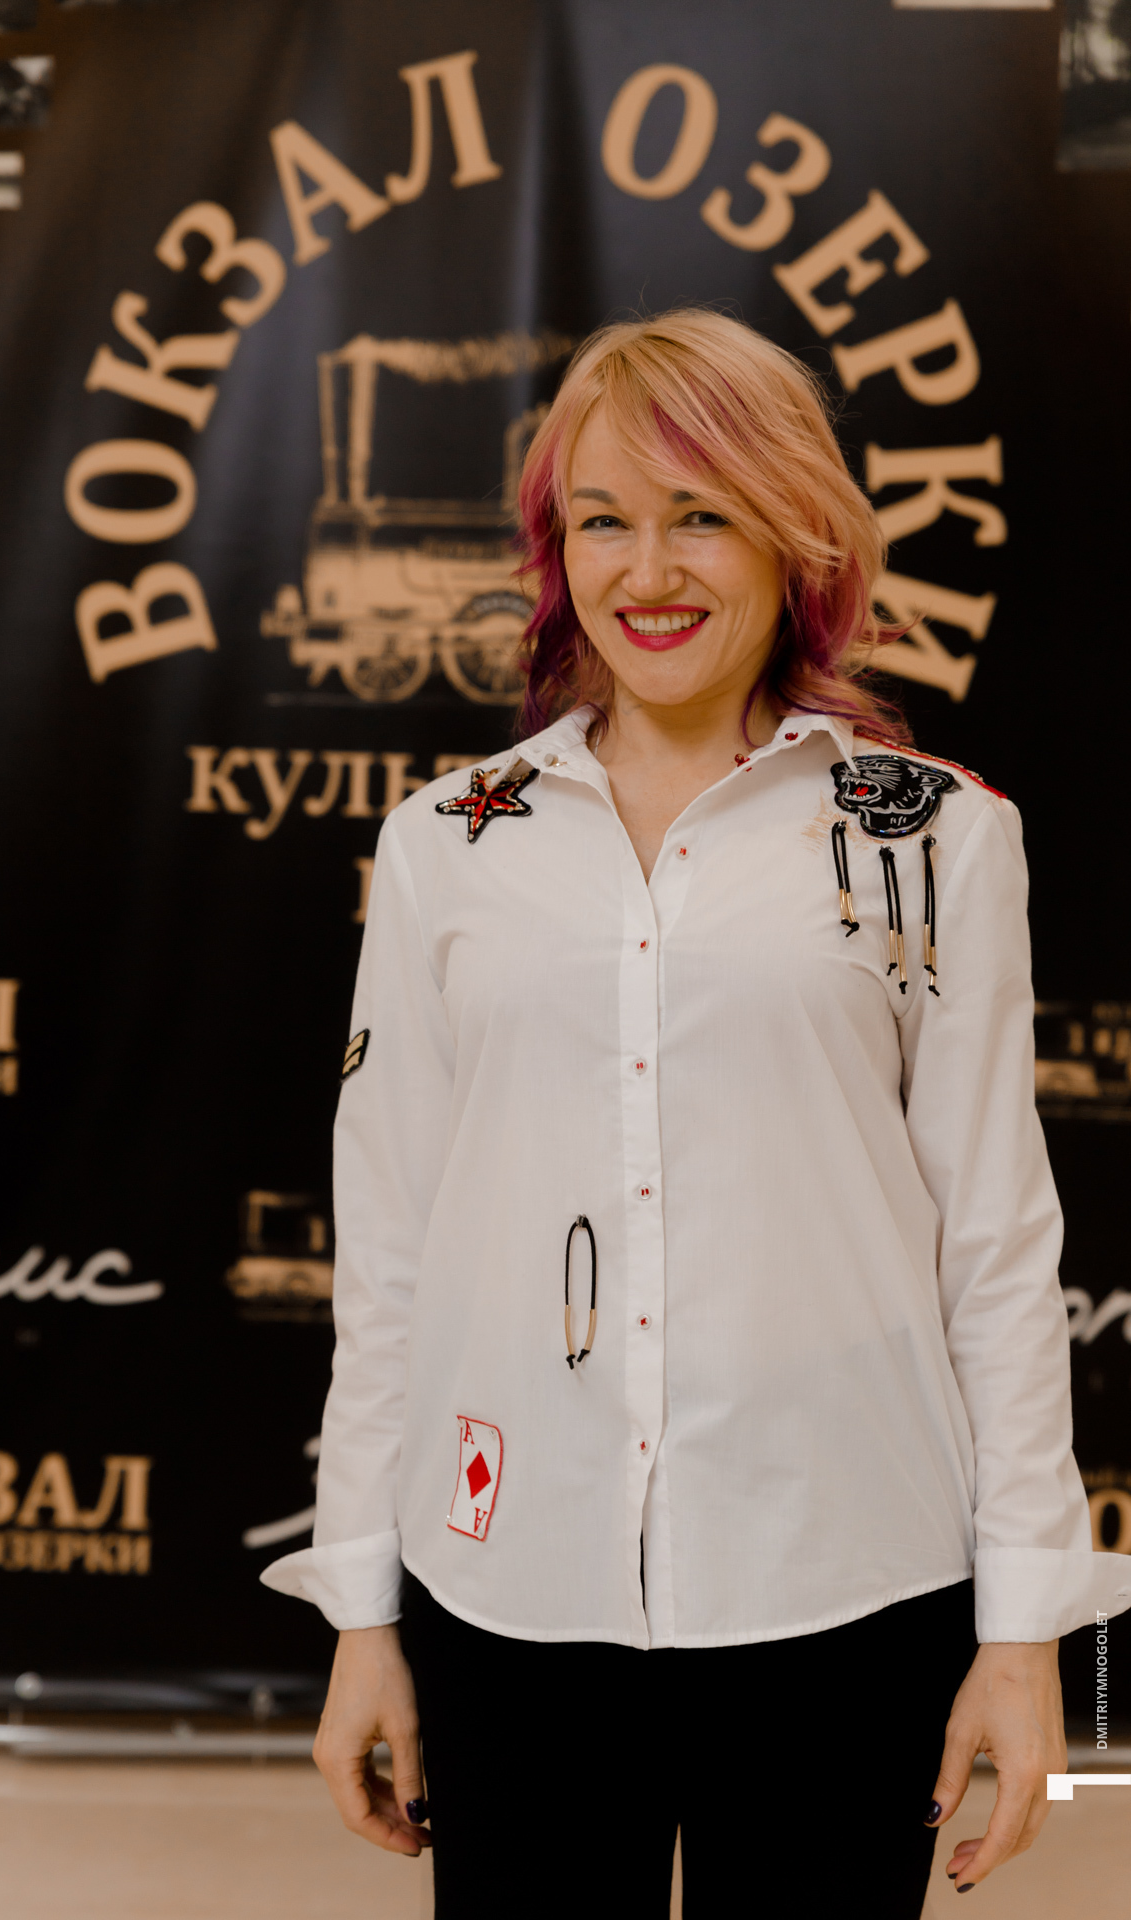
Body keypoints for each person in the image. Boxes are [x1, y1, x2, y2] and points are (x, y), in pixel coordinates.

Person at [264, 309, 1129, 1917]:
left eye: (702, 516)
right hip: (509, 1595)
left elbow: (1000, 1251)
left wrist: (1024, 1635)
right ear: (558, 550)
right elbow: (390, 1261)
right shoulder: (450, 841)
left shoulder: (934, 836)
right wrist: (364, 1616)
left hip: (849, 1592)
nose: (648, 571)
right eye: (605, 520)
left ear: (796, 536)